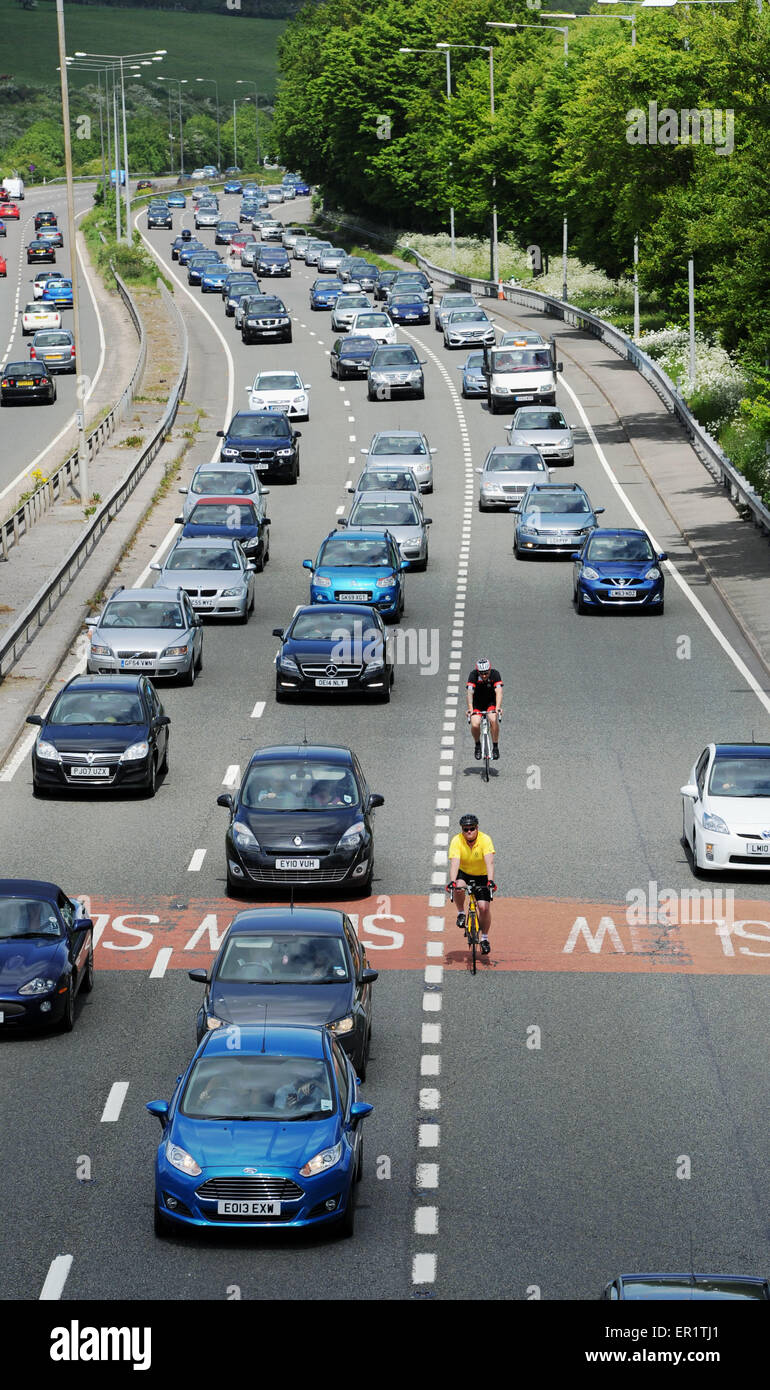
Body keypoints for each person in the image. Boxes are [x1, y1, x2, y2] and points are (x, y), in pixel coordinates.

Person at [447, 813, 497, 954]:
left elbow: (490, 862)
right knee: (458, 887)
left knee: (484, 908)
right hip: (464, 873)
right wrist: (452, 882)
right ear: (462, 830)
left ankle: (484, 938)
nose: (469, 831)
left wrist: (491, 881)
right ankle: (461, 913)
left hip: (482, 876)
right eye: (466, 829)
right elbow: (455, 863)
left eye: (472, 828)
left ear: (477, 828)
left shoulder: (485, 839)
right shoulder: (457, 840)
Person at [466, 658, 503, 760]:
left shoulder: (495, 674)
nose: (484, 676)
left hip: (490, 703)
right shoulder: (473, 675)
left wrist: (498, 707)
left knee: (492, 719)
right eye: (481, 673)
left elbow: (499, 691)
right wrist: (470, 708)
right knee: (475, 723)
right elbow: (469, 692)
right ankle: (478, 745)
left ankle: (495, 747)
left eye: (486, 673)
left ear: (490, 670)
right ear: (478, 672)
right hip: (477, 703)